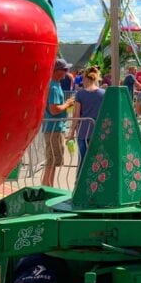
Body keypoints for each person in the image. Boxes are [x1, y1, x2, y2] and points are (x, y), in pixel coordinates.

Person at [42, 59, 75, 187]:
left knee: (54, 160)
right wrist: (67, 104)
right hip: (54, 128)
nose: (67, 73)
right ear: (57, 71)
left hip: (54, 128)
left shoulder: (55, 85)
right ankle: (47, 186)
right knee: (52, 159)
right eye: (65, 70)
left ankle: (48, 185)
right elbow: (54, 109)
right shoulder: (54, 87)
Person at [68, 67, 105, 168]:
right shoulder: (103, 93)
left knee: (82, 160)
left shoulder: (80, 94)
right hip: (98, 131)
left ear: (85, 79)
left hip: (83, 131)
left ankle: (79, 182)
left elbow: (76, 114)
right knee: (97, 160)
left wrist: (71, 132)